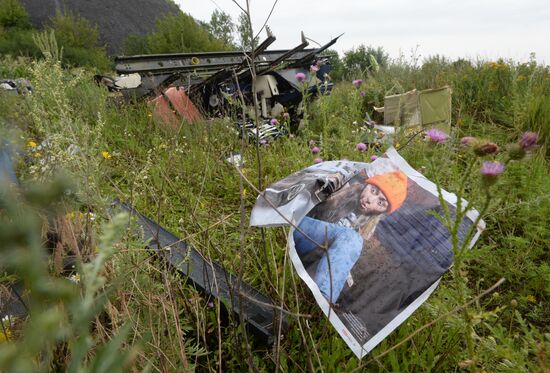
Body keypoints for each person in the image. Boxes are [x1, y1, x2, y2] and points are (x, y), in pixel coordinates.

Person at [293, 171, 408, 303]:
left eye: (381, 203)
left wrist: (342, 271)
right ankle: (322, 302)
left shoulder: (362, 227)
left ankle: (318, 302)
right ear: (367, 184)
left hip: (307, 249)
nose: (371, 200)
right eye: (373, 190)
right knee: (352, 239)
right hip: (296, 226)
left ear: (382, 212)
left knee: (346, 283)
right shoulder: (341, 186)